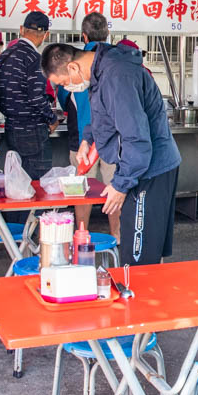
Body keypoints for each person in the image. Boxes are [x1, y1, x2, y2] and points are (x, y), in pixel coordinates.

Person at [43, 41, 180, 266]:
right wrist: (88, 139)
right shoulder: (102, 72)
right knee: (145, 249)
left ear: (73, 68)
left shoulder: (117, 77)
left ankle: (140, 297)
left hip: (149, 169)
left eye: (63, 83)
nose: (67, 88)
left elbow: (136, 137)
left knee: (139, 256)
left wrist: (120, 185)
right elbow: (103, 116)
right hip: (143, 165)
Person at [57, 12, 121, 240]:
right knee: (116, 188)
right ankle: (117, 236)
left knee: (80, 191)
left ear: (83, 36)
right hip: (114, 140)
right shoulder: (117, 61)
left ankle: (81, 236)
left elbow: (64, 98)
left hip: (82, 141)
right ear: (108, 34)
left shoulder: (74, 65)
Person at [0, 11, 55, 179]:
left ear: (22, 29)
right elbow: (36, 97)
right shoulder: (35, 58)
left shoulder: (5, 54)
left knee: (16, 181)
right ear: (46, 35)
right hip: (33, 131)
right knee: (39, 183)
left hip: (11, 128)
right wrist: (51, 118)